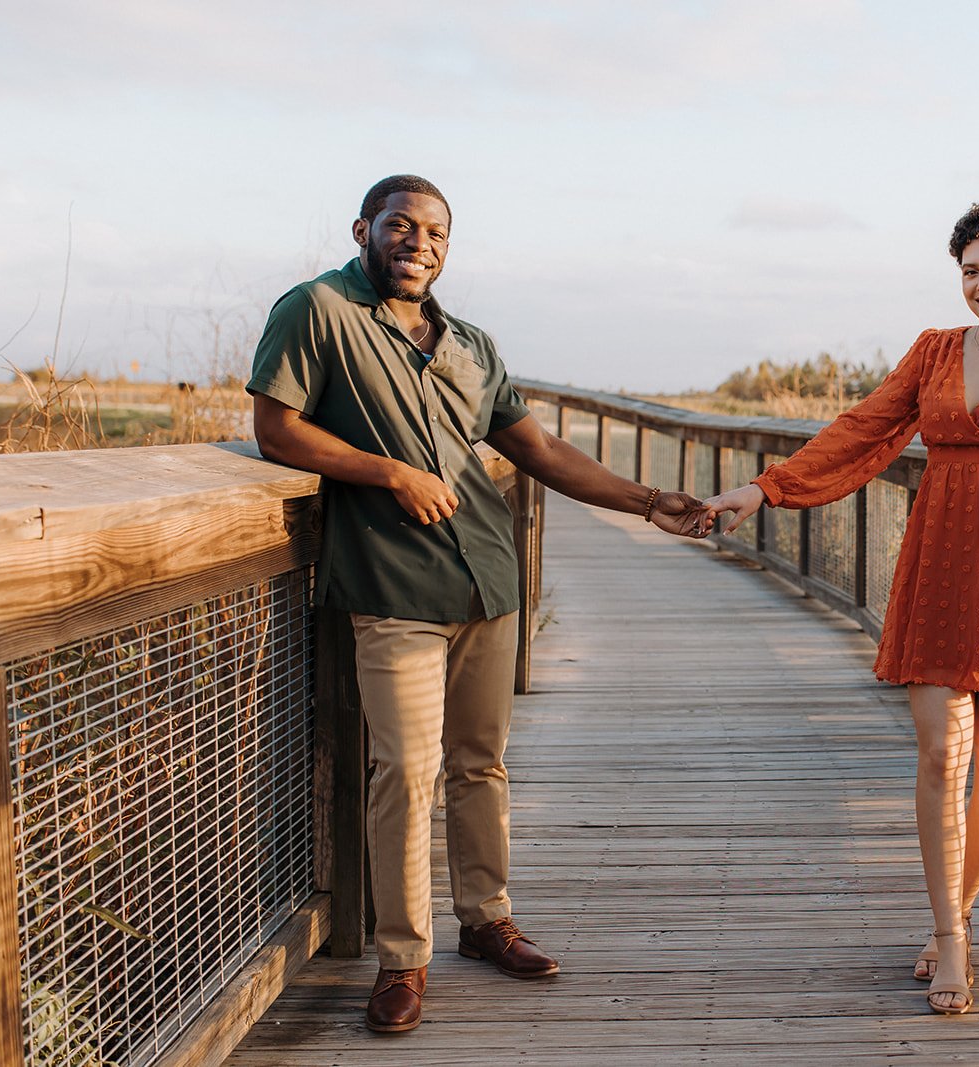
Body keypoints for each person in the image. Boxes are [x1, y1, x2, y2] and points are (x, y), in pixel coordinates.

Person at [247, 174, 713, 1033]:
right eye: (400, 225)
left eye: (435, 232)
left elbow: (534, 448)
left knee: (480, 762)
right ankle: (402, 958)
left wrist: (648, 502)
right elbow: (275, 429)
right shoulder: (317, 311)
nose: (418, 242)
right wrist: (387, 470)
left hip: (488, 580)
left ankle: (485, 919)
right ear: (364, 229)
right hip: (392, 584)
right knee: (403, 771)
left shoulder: (469, 342)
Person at [706, 202, 979, 1015]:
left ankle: (951, 923)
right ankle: (956, 935)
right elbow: (862, 429)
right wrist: (762, 490)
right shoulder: (936, 351)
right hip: (941, 557)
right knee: (942, 752)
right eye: (970, 269)